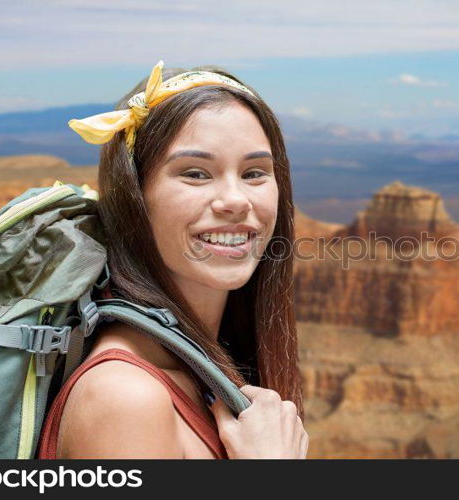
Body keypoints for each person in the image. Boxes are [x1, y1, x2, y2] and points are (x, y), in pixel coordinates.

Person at [37, 61, 308, 459]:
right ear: (135, 196)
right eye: (196, 173)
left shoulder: (202, 370)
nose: (235, 200)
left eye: (254, 173)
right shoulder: (125, 398)